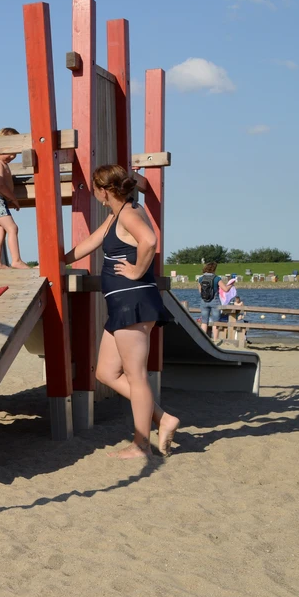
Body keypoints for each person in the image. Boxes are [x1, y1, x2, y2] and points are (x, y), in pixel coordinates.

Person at [64, 164, 180, 460]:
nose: (94, 194)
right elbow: (91, 242)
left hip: (134, 302)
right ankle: (163, 418)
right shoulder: (116, 215)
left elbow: (149, 240)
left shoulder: (129, 213)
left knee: (135, 376)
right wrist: (58, 260)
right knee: (105, 372)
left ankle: (141, 445)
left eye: (94, 189)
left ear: (104, 191)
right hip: (121, 306)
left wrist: (137, 271)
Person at [0, 127, 30, 270]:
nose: (12, 156)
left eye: (15, 153)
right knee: (12, 228)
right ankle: (16, 260)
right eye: (9, 152)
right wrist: (13, 198)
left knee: (0, 232)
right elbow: (0, 185)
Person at [197, 262, 229, 337]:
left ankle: (203, 338)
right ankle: (215, 340)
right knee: (216, 322)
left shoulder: (201, 278)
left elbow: (200, 291)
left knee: (204, 322)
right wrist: (230, 285)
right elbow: (225, 289)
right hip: (215, 301)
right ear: (214, 269)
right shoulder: (217, 278)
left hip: (204, 301)